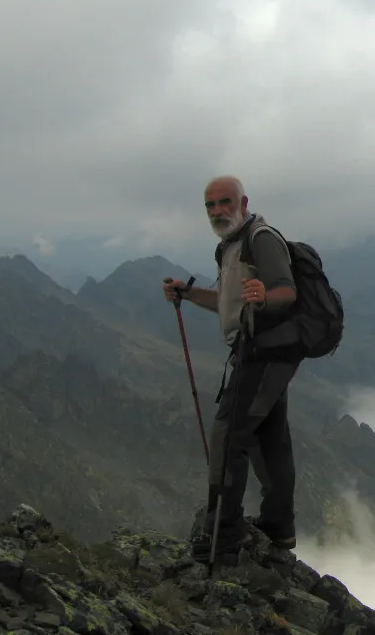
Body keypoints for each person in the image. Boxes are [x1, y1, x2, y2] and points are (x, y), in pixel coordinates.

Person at [163, 175, 302, 561]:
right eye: (210, 205)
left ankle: (223, 535)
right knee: (268, 439)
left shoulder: (262, 239)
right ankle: (279, 526)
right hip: (260, 352)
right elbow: (229, 305)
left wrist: (266, 296)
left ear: (243, 203)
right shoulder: (229, 246)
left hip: (263, 353)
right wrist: (188, 293)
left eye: (225, 202)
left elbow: (286, 291)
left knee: (228, 434)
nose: (217, 211)